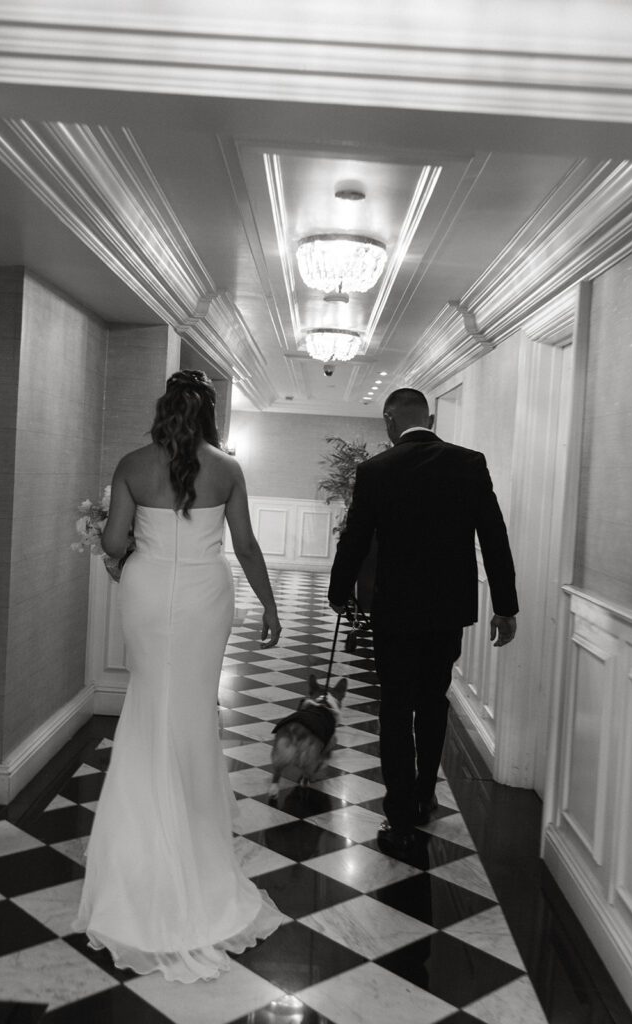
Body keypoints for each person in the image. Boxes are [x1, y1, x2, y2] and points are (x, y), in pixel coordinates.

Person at [73, 369, 286, 982]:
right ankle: (192, 834)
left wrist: (123, 550)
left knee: (150, 700)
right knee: (191, 706)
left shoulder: (134, 463)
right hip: (204, 595)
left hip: (145, 593)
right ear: (210, 414)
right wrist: (270, 604)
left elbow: (114, 543)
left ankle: (140, 843)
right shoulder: (227, 468)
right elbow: (244, 545)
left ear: (164, 407)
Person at [328, 388, 518, 856]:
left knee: (394, 707)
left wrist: (338, 592)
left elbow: (355, 538)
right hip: (446, 610)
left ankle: (399, 818)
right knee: (434, 701)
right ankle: (425, 794)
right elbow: (494, 536)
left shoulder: (376, 471)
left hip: (393, 610)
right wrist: (506, 605)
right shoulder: (469, 463)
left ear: (391, 421)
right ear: (430, 419)